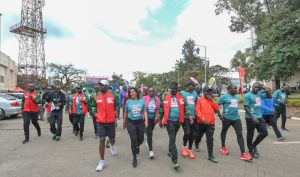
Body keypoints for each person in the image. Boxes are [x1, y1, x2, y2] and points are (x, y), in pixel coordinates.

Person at [159, 81, 191, 170]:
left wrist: (189, 114)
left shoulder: (181, 97)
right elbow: (162, 108)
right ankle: (175, 160)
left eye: (175, 89)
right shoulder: (165, 96)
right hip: (169, 121)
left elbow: (186, 107)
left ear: (177, 89)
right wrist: (160, 120)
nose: (174, 90)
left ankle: (170, 150)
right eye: (172, 89)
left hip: (178, 121)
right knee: (172, 139)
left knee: (173, 137)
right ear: (170, 88)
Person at [217, 84, 252, 161]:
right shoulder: (224, 97)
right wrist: (220, 115)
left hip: (236, 119)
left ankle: (243, 153)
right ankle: (223, 147)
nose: (237, 89)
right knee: (224, 131)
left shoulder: (237, 96)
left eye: (236, 88)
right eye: (235, 88)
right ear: (229, 89)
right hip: (226, 118)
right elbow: (216, 105)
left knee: (240, 134)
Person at [95, 80, 119, 172]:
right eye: (99, 85)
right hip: (100, 122)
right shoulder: (96, 96)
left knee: (112, 138)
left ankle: (112, 146)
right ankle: (102, 161)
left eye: (101, 85)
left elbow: (117, 105)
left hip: (111, 122)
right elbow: (92, 106)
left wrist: (115, 112)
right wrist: (96, 114)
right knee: (101, 139)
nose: (99, 87)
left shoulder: (113, 95)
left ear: (106, 86)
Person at [195, 86, 223, 163]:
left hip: (210, 123)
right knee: (198, 136)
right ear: (204, 92)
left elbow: (217, 109)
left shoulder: (212, 100)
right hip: (201, 123)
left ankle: (210, 155)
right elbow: (197, 111)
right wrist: (203, 119)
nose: (209, 92)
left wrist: (212, 101)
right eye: (207, 91)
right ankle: (196, 143)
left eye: (210, 91)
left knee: (210, 139)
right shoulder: (200, 100)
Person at [123, 87, 148, 168]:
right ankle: (134, 158)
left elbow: (144, 111)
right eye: (130, 92)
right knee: (133, 139)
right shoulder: (128, 102)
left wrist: (146, 121)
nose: (131, 93)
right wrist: (124, 122)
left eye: (133, 92)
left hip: (140, 122)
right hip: (130, 122)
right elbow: (126, 112)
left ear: (137, 93)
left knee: (141, 139)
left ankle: (137, 146)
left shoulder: (142, 101)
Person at [244, 83, 268, 159]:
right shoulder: (247, 95)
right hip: (250, 118)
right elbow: (246, 106)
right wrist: (253, 117)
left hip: (260, 116)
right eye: (256, 87)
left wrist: (264, 88)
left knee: (264, 133)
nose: (257, 88)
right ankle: (250, 149)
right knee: (250, 134)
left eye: (258, 87)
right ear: (252, 87)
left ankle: (254, 145)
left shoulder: (259, 94)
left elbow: (268, 95)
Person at [180, 81, 198, 159]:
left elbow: (197, 103)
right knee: (187, 133)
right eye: (193, 86)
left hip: (194, 117)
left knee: (192, 134)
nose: (194, 87)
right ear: (189, 86)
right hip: (185, 117)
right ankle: (184, 147)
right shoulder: (182, 93)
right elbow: (181, 105)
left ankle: (190, 149)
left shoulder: (195, 93)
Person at [143, 87, 160, 159]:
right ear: (148, 92)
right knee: (150, 133)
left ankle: (147, 140)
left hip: (154, 119)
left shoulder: (157, 99)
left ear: (154, 92)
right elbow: (142, 108)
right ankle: (151, 151)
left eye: (153, 91)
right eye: (150, 91)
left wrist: (158, 116)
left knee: (150, 131)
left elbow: (159, 108)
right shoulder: (144, 98)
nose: (151, 92)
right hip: (147, 118)